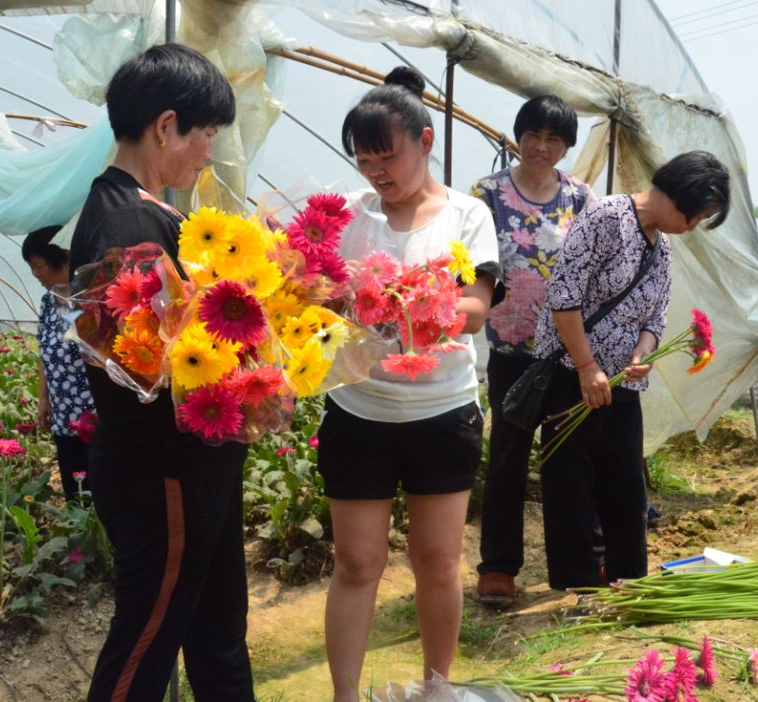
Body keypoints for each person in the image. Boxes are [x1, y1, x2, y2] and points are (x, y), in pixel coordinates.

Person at [67, 44, 252, 702]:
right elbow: (144, 366)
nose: (208, 153)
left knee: (218, 634)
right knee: (147, 643)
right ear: (167, 125)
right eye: (206, 135)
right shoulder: (127, 222)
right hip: (163, 471)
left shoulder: (151, 211)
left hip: (196, 463)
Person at [318, 67, 500, 701]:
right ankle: (345, 695)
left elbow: (478, 305)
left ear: (425, 141)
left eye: (387, 155)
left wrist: (422, 305)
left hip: (441, 410)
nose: (377, 171)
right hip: (358, 409)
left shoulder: (468, 215)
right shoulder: (349, 218)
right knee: (357, 563)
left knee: (437, 563)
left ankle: (437, 687)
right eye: (364, 160)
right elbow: (325, 298)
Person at [532, 150, 730, 590]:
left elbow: (655, 318)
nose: (692, 227)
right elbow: (564, 297)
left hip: (622, 384)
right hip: (573, 376)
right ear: (680, 195)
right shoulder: (607, 216)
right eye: (696, 217)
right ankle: (577, 585)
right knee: (571, 483)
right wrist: (586, 366)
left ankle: (627, 580)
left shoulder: (662, 246)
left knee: (625, 483)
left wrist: (641, 355)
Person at [469, 95, 595, 607]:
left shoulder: (582, 199)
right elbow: (469, 259)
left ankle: (574, 567)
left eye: (555, 139)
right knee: (507, 459)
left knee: (569, 461)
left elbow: (595, 266)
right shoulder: (488, 193)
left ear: (566, 147)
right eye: (534, 136)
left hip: (566, 350)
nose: (542, 148)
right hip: (510, 350)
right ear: (519, 137)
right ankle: (498, 567)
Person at [21, 226, 96, 500]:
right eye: (32, 267)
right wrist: (44, 399)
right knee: (72, 476)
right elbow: (45, 351)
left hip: (92, 410)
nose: (36, 274)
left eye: (39, 265)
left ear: (62, 259)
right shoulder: (49, 301)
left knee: (97, 476)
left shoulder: (88, 297)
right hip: (63, 410)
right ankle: (79, 533)